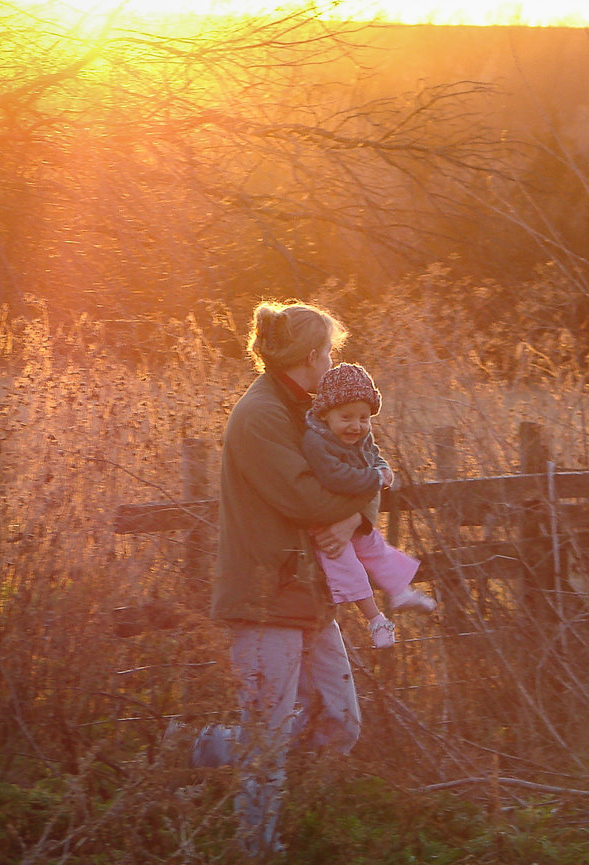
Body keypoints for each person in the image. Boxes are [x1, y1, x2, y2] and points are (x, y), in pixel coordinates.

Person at [202, 300, 379, 857]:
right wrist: (364, 495)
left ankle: (210, 749)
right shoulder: (261, 416)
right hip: (262, 596)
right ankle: (257, 847)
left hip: (305, 593)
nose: (333, 361)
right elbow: (306, 496)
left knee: (340, 722)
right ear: (311, 355)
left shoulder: (308, 410)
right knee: (267, 740)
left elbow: (366, 469)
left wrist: (357, 513)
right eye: (329, 352)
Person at [300, 362, 436, 650]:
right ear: (325, 414)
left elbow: (373, 457)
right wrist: (375, 478)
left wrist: (384, 470)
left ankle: (400, 590)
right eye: (346, 417)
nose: (356, 426)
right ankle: (375, 620)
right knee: (347, 566)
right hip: (324, 520)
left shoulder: (362, 437)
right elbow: (334, 477)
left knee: (375, 548)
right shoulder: (316, 441)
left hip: (350, 515)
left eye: (364, 418)